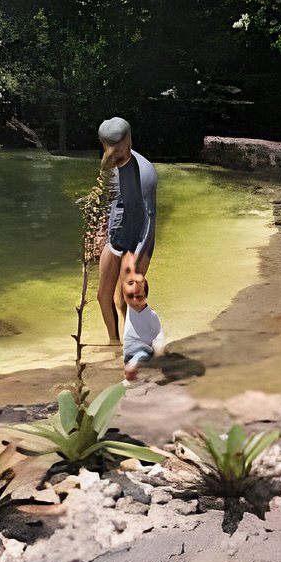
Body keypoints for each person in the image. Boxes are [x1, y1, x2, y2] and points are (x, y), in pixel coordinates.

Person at [96, 117, 158, 343]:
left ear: (129, 142)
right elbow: (111, 203)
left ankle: (133, 346)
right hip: (115, 239)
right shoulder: (110, 167)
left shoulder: (145, 175)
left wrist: (137, 261)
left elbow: (148, 220)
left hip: (136, 243)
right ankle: (113, 342)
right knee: (103, 296)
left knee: (123, 299)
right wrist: (100, 234)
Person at [120, 262, 166, 381]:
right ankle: (130, 373)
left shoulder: (151, 315)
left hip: (143, 350)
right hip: (129, 350)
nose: (135, 301)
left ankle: (132, 371)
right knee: (129, 362)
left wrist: (159, 348)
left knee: (138, 358)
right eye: (131, 296)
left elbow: (158, 333)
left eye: (138, 297)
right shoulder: (129, 309)